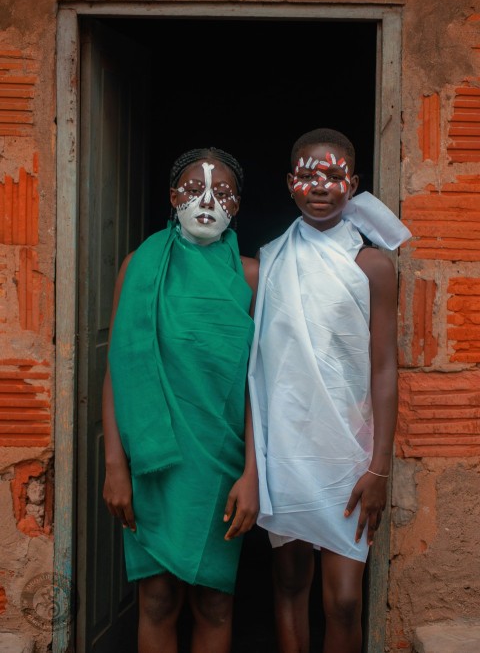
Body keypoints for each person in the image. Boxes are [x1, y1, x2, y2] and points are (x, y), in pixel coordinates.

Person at [248, 128, 411, 653]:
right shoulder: (269, 262)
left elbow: (384, 369)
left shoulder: (374, 268)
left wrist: (379, 466)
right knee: (291, 581)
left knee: (342, 598)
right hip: (288, 450)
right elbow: (258, 368)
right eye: (308, 174)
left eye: (334, 174)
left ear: (353, 183)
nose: (321, 185)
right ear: (289, 183)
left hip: (350, 454)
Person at [102, 147, 259, 653]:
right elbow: (120, 368)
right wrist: (115, 466)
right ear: (173, 198)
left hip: (221, 463)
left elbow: (264, 384)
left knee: (214, 601)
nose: (208, 200)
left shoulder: (252, 276)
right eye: (194, 189)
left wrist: (253, 475)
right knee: (157, 599)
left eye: (223, 191)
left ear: (238, 205)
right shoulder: (140, 267)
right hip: (153, 465)